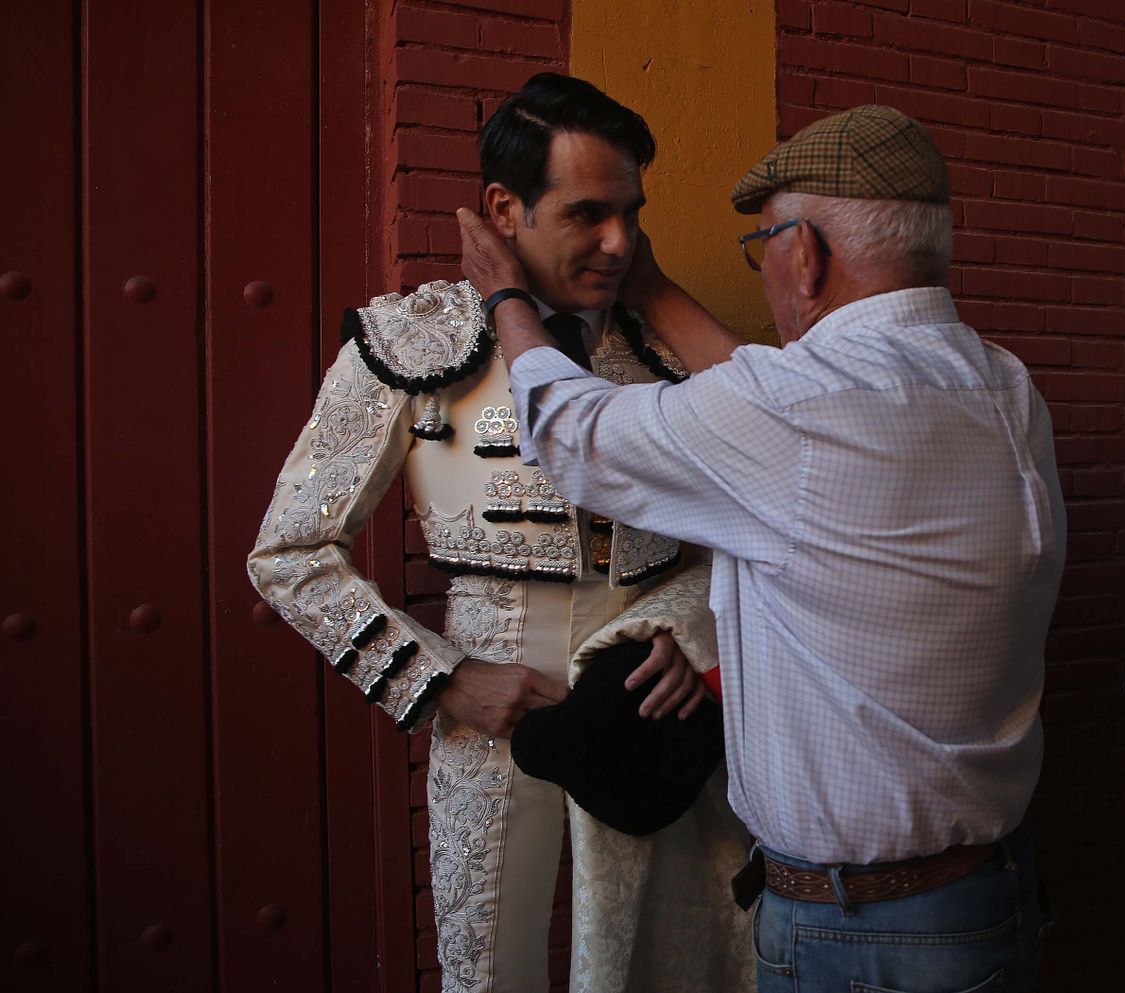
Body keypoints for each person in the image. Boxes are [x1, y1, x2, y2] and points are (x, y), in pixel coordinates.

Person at [454, 104, 1065, 993]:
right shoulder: (1006, 385)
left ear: (806, 253)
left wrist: (506, 298)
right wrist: (653, 291)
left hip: (861, 939)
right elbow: (785, 420)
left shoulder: (803, 412)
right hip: (985, 892)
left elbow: (576, 432)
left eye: (764, 244)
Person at [248, 73, 752, 993]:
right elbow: (290, 555)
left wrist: (691, 632)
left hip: (649, 701)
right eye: (588, 213)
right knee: (492, 974)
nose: (621, 243)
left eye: (632, 213)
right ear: (503, 208)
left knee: (667, 968)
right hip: (487, 714)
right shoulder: (411, 340)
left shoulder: (668, 347)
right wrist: (443, 678)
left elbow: (747, 529)